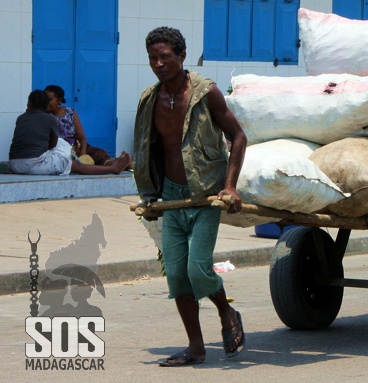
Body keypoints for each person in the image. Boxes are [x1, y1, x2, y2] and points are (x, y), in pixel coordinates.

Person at [133, 27, 247, 366]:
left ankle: (227, 313)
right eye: (153, 58)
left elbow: (238, 137)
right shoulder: (149, 99)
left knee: (198, 270)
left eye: (165, 57)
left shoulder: (205, 92)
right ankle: (196, 348)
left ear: (182, 56)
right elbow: (147, 147)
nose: (158, 64)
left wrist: (230, 186)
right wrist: (149, 193)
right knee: (177, 275)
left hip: (205, 195)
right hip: (170, 196)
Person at [9, 90, 131, 175]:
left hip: (13, 164)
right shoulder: (49, 118)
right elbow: (52, 144)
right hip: (30, 164)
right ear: (45, 104)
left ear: (29, 103)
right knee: (75, 165)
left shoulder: (21, 118)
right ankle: (113, 168)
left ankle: (112, 163)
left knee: (88, 153)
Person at [44, 85, 113, 166]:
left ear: (59, 100)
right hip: (58, 150)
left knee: (97, 153)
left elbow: (81, 137)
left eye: (49, 100)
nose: (46, 103)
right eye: (44, 100)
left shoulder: (70, 113)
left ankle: (115, 164)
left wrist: (83, 153)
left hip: (75, 147)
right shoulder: (44, 115)